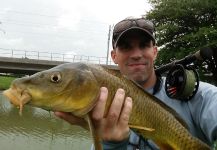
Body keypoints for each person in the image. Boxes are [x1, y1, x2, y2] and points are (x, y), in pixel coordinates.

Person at [54, 16, 217, 149]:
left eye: (144, 45)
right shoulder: (101, 104)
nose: (136, 54)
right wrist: (111, 145)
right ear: (114, 56)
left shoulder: (204, 96)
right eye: (126, 47)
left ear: (154, 51)